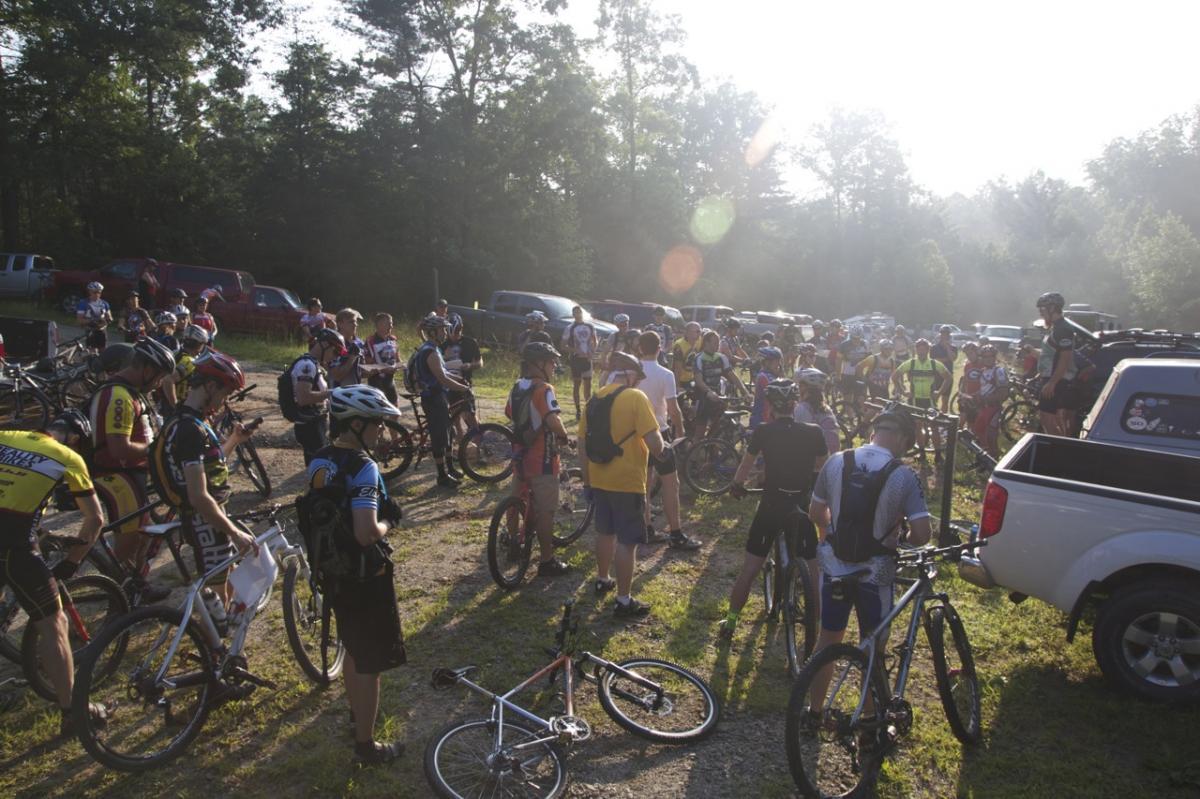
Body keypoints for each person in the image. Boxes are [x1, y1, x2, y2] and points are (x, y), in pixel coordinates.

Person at [802, 411, 931, 725]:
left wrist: (829, 535)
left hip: (835, 566)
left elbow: (816, 511)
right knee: (873, 646)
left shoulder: (836, 461)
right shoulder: (904, 474)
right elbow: (923, 535)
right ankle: (870, 723)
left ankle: (815, 712)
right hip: (877, 573)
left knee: (828, 639)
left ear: (875, 431)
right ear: (902, 439)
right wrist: (901, 535)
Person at [307, 385, 408, 766]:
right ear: (357, 424)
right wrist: (387, 519)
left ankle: (357, 714)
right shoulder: (363, 466)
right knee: (371, 659)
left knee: (353, 643)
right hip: (365, 573)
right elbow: (366, 531)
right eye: (378, 424)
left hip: (333, 568)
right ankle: (366, 745)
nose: (382, 431)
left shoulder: (320, 459)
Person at [0, 411, 110, 734]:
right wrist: (71, 563)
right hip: (13, 548)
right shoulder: (69, 457)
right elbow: (95, 519)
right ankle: (74, 713)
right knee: (54, 624)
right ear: (74, 438)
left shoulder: (6, 436)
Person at [720, 380, 828, 640]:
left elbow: (746, 466)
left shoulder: (764, 431)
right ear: (794, 404)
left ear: (771, 406)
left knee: (750, 569)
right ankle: (819, 624)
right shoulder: (814, 431)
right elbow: (822, 469)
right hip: (801, 504)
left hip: (771, 505)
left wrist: (737, 485)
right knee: (814, 572)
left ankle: (732, 621)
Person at [152, 351, 258, 588]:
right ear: (210, 386)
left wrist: (234, 439)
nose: (225, 400)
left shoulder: (194, 419)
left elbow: (214, 463)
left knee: (229, 585)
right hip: (204, 522)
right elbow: (198, 496)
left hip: (214, 516)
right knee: (220, 598)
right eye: (225, 393)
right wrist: (235, 533)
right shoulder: (189, 430)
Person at [87, 337, 177, 601]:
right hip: (115, 474)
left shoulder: (130, 392)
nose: (159, 383)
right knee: (132, 536)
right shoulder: (118, 396)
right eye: (159, 376)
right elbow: (118, 448)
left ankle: (134, 585)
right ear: (146, 369)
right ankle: (119, 593)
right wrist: (156, 451)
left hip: (129, 473)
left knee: (144, 531)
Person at [580, 352, 665, 617]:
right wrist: (663, 447)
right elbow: (655, 443)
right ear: (628, 374)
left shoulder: (594, 399)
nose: (638, 384)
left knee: (605, 532)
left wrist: (587, 480)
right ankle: (624, 600)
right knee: (628, 542)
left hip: (599, 477)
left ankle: (603, 578)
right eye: (637, 378)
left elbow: (582, 445)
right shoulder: (635, 398)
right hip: (627, 481)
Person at [505, 342, 572, 577]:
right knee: (546, 512)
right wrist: (566, 436)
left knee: (515, 499)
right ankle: (546, 560)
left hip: (519, 453)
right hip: (542, 456)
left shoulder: (517, 386)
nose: (554, 366)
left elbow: (508, 412)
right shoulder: (544, 388)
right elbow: (553, 420)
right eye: (551, 362)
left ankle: (512, 541)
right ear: (540, 364)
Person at [635, 331, 701, 550]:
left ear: (640, 348)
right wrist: (681, 431)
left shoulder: (631, 372)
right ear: (659, 347)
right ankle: (675, 533)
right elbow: (673, 409)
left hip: (636, 433)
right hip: (659, 432)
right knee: (671, 484)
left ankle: (645, 528)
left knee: (644, 483)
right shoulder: (665, 374)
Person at [412, 314, 472, 487]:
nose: (445, 333)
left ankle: (450, 468)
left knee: (448, 433)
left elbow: (444, 373)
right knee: (439, 437)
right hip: (433, 398)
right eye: (442, 330)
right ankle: (442, 476)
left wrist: (459, 378)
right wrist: (462, 388)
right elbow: (442, 378)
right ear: (432, 332)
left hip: (438, 397)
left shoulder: (432, 348)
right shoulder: (430, 352)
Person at [291, 328, 344, 464]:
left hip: (315, 422)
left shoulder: (314, 364)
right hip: (309, 425)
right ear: (325, 345)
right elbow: (303, 398)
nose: (336, 356)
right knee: (318, 466)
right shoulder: (307, 365)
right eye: (336, 351)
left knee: (319, 465)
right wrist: (332, 393)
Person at [892, 338, 950, 461]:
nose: (921, 352)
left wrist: (939, 393)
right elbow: (895, 376)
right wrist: (903, 391)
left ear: (928, 350)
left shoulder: (934, 363)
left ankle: (938, 454)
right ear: (916, 350)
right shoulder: (911, 363)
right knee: (918, 426)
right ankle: (922, 453)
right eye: (919, 349)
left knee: (934, 426)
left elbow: (949, 378)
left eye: (924, 349)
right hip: (915, 401)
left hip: (930, 400)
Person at [1035, 291, 1080, 437]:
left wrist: (1052, 382)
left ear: (1052, 308)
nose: (1041, 313)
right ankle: (1061, 447)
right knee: (1050, 417)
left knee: (1047, 417)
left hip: (1057, 380)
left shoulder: (1063, 329)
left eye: (1042, 309)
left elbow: (1064, 359)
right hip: (1050, 377)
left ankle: (1059, 449)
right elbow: (1050, 355)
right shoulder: (1055, 327)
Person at [692, 330, 748, 439]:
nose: (717, 345)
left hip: (718, 396)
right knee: (699, 433)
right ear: (706, 343)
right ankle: (695, 452)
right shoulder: (699, 358)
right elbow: (698, 380)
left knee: (717, 431)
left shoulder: (721, 357)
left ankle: (713, 449)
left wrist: (744, 391)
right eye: (714, 343)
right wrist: (708, 392)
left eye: (718, 343)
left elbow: (732, 376)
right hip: (703, 396)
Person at [441, 318, 483, 434]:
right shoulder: (443, 345)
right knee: (455, 416)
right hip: (449, 384)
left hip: (465, 383)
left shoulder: (470, 342)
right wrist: (445, 357)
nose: (454, 336)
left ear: (461, 329)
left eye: (457, 332)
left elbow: (480, 363)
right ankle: (461, 441)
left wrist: (470, 365)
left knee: (470, 415)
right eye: (452, 333)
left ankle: (479, 441)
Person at [561, 305, 598, 420]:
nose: (578, 314)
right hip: (576, 359)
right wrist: (575, 350)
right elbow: (563, 345)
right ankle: (578, 410)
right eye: (575, 313)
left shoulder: (590, 326)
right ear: (573, 314)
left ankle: (588, 409)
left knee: (588, 385)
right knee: (577, 384)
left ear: (582, 313)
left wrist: (592, 352)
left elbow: (594, 340)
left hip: (587, 359)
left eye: (579, 312)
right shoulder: (570, 328)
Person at [161, 324, 211, 410]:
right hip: (176, 406)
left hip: (164, 401)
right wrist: (175, 405)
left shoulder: (177, 352)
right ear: (199, 344)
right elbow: (168, 380)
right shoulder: (189, 361)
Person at [794, 368, 841, 455]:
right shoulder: (826, 409)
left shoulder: (802, 409)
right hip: (832, 458)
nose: (798, 389)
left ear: (804, 388)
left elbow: (796, 438)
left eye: (799, 386)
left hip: (815, 459)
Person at [973, 344, 1009, 455]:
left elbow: (1004, 393)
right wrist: (976, 395)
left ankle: (994, 458)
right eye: (985, 357)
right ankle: (985, 457)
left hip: (993, 408)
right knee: (979, 431)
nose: (988, 359)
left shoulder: (999, 371)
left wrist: (988, 399)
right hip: (983, 407)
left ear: (994, 357)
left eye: (990, 356)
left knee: (991, 434)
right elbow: (984, 389)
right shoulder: (983, 371)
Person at [364, 312, 401, 405]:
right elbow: (367, 365)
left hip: (390, 380)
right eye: (388, 323)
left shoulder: (393, 339)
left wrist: (399, 366)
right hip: (376, 381)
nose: (391, 326)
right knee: (379, 414)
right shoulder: (370, 341)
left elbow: (397, 359)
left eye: (391, 323)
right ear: (379, 325)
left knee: (395, 410)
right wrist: (384, 369)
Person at [330, 308, 368, 389]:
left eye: (356, 322)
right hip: (338, 393)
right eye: (351, 322)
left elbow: (362, 372)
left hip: (355, 392)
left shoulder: (359, 343)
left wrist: (378, 370)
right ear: (340, 324)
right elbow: (337, 376)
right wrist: (352, 358)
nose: (355, 324)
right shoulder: (333, 343)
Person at [749, 346, 784, 428]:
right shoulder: (763, 376)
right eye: (776, 361)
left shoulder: (773, 375)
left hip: (770, 419)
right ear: (767, 362)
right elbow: (778, 393)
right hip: (762, 420)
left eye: (779, 361)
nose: (779, 364)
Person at [837, 326, 871, 406]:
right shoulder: (843, 345)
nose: (856, 340)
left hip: (861, 374)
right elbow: (838, 360)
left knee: (862, 397)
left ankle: (861, 414)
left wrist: (869, 373)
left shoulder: (865, 344)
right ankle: (850, 416)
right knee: (848, 397)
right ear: (850, 336)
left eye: (858, 338)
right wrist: (838, 374)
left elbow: (870, 359)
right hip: (847, 374)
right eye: (854, 338)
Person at [77, 281, 113, 352]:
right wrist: (92, 321)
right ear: (90, 292)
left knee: (103, 352)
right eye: (95, 292)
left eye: (99, 292)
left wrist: (108, 320)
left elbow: (110, 317)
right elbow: (79, 320)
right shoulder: (83, 303)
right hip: (91, 331)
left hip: (102, 331)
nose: (97, 294)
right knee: (92, 353)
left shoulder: (104, 304)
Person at [930, 326, 958, 412]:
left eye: (947, 334)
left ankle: (943, 418)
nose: (945, 336)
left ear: (949, 335)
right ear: (940, 335)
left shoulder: (953, 348)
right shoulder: (934, 347)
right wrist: (946, 359)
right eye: (943, 334)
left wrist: (948, 347)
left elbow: (952, 358)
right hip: (936, 376)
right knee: (933, 399)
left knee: (945, 400)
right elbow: (934, 360)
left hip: (948, 376)